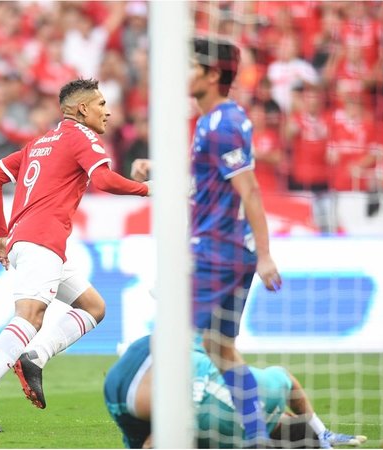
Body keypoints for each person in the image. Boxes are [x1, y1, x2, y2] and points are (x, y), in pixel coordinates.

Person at [0, 78, 150, 432]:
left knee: (94, 307)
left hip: (31, 240)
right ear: (81, 109)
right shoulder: (81, 137)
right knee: (30, 316)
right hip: (42, 241)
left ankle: (34, 358)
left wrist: (0, 235)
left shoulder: (38, 143)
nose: (107, 112)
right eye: (101, 104)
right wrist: (148, 189)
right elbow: (105, 181)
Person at [131, 37, 283, 447]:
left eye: (191, 67)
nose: (182, 74)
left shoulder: (223, 125)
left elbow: (250, 191)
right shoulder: (215, 120)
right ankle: (257, 437)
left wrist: (267, 255)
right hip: (231, 251)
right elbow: (207, 179)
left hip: (216, 252)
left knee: (167, 342)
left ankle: (161, 438)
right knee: (220, 348)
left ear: (212, 75)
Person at [104, 334, 368, 449]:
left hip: (152, 351)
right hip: (125, 401)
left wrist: (322, 432)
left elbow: (287, 379)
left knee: (212, 350)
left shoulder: (269, 391)